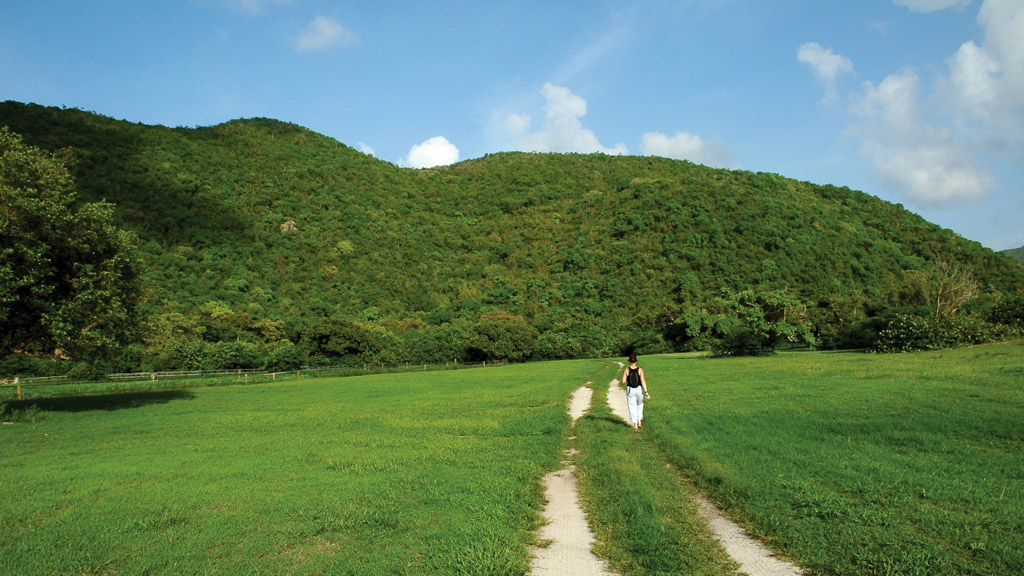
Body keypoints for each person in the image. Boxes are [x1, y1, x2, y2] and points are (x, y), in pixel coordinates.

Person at [622, 353, 650, 430]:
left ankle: (635, 425)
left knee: (632, 406)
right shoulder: (640, 370)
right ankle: (639, 421)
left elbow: (623, 381)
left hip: (630, 389)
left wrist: (628, 377)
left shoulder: (627, 369)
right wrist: (646, 392)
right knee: (640, 404)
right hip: (639, 389)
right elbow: (643, 381)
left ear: (629, 362)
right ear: (636, 361)